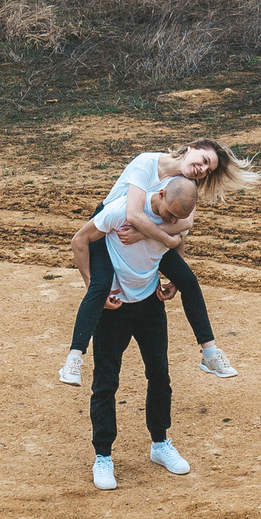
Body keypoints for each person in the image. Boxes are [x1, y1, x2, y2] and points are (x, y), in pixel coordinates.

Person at [58, 137, 259, 386]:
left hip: (147, 230)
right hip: (108, 226)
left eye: (209, 170)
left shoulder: (187, 183)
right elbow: (133, 214)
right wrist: (170, 240)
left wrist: (153, 242)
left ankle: (209, 352)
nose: (203, 170)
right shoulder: (146, 163)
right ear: (192, 146)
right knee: (99, 286)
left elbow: (185, 223)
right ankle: (74, 358)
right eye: (204, 161)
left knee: (188, 280)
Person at [88, 175, 199, 490]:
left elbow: (177, 240)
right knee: (106, 382)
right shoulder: (125, 210)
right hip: (115, 307)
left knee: (160, 376)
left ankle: (160, 443)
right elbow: (82, 239)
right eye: (169, 215)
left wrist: (176, 274)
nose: (171, 221)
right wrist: (94, 290)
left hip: (150, 303)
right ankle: (103, 456)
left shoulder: (174, 217)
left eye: (178, 218)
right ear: (160, 194)